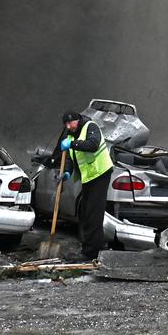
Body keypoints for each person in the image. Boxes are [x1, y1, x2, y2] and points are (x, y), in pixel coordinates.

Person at [49, 110, 113, 261]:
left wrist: (71, 144)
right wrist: (67, 173)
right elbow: (71, 159)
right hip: (89, 178)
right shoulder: (71, 136)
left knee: (93, 213)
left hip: (100, 174)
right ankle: (91, 246)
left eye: (70, 122)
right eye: (65, 123)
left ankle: (91, 252)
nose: (68, 126)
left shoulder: (91, 127)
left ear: (77, 120)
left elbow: (92, 145)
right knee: (85, 212)